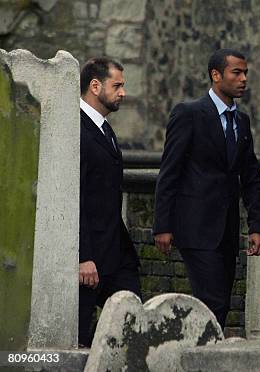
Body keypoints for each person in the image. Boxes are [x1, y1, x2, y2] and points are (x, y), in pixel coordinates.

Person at [153, 49, 260, 328]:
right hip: (195, 226)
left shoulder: (242, 121)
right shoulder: (189, 113)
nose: (243, 79)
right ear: (216, 75)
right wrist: (162, 225)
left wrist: (256, 226)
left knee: (221, 301)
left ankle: (202, 352)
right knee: (212, 299)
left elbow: (250, 175)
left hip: (226, 229)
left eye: (245, 73)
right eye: (236, 73)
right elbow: (169, 171)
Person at [79, 57, 141, 347]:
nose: (123, 93)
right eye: (116, 85)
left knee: (133, 323)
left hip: (115, 252)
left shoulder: (104, 128)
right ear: (95, 86)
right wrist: (82, 257)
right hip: (88, 258)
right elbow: (73, 197)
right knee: (76, 337)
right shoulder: (76, 129)